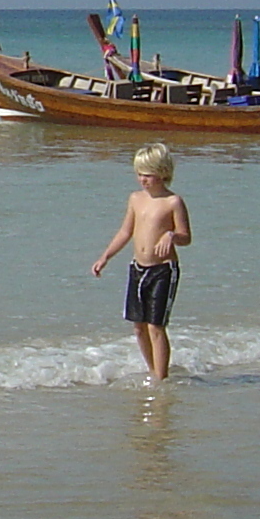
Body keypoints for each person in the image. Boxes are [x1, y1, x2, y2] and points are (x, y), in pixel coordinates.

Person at [92, 142, 191, 383]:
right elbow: (126, 232)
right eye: (139, 174)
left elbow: (186, 237)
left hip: (163, 270)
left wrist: (171, 236)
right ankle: (152, 371)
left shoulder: (173, 202)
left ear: (162, 172)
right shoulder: (136, 199)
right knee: (138, 325)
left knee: (155, 326)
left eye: (147, 175)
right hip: (138, 268)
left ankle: (162, 377)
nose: (142, 180)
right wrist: (105, 256)